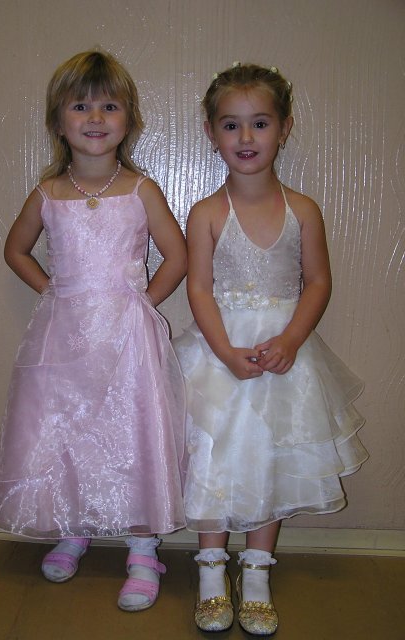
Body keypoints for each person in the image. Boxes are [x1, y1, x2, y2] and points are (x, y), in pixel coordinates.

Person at [0, 50, 188, 612]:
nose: (95, 117)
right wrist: (53, 291)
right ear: (58, 121)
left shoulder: (142, 189)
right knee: (66, 429)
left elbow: (176, 256)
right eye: (80, 106)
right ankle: (72, 527)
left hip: (127, 340)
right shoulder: (48, 193)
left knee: (132, 431)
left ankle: (143, 550)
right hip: (65, 337)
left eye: (109, 106)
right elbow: (15, 249)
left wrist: (141, 304)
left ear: (129, 120)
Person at [173, 62, 368, 634]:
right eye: (230, 124)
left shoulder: (303, 210)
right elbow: (199, 288)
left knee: (272, 459)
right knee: (214, 455)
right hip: (220, 356)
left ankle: (256, 571)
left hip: (286, 357)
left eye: (260, 123)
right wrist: (224, 351)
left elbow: (318, 282)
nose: (246, 136)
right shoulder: (207, 213)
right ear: (211, 133)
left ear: (284, 128)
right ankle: (212, 570)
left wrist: (290, 339)